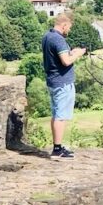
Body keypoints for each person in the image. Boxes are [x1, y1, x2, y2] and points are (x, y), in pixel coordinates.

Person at [41, 10, 86, 158]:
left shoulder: (48, 36)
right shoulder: (59, 39)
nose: (69, 30)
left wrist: (71, 52)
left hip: (53, 80)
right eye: (69, 27)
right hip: (62, 82)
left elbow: (61, 57)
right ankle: (57, 149)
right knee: (60, 115)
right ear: (64, 24)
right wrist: (78, 54)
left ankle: (58, 146)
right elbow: (66, 61)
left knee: (56, 114)